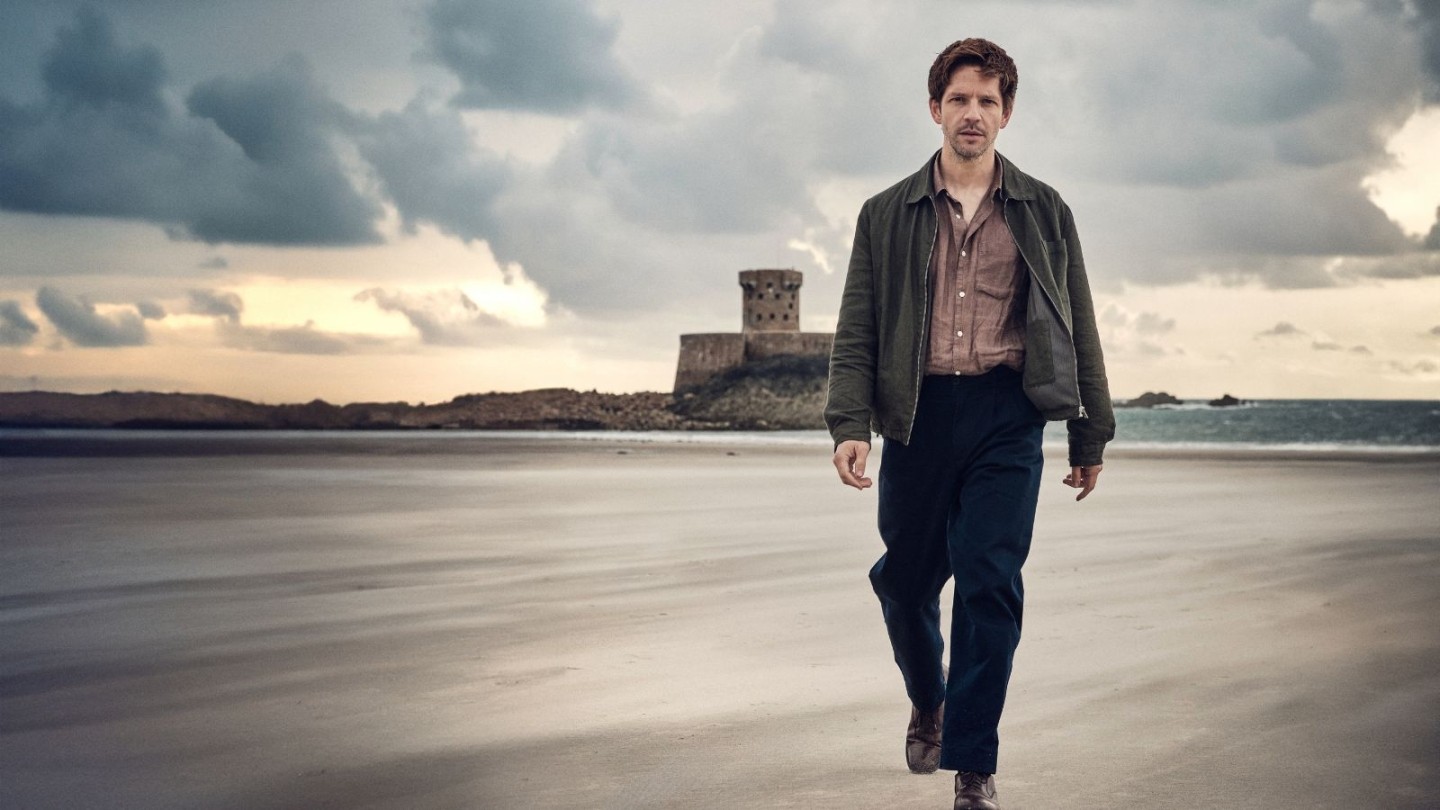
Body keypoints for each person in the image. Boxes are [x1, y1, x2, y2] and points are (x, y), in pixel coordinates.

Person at [824, 38, 1115, 810]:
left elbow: (1077, 320)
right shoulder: (885, 214)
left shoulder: (1044, 209)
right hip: (916, 417)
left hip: (1006, 415)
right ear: (935, 109)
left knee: (990, 585)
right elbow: (857, 328)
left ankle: (974, 765)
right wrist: (849, 421)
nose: (973, 114)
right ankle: (929, 698)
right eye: (960, 99)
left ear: (1007, 114)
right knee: (906, 583)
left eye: (988, 101)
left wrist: (1090, 432)